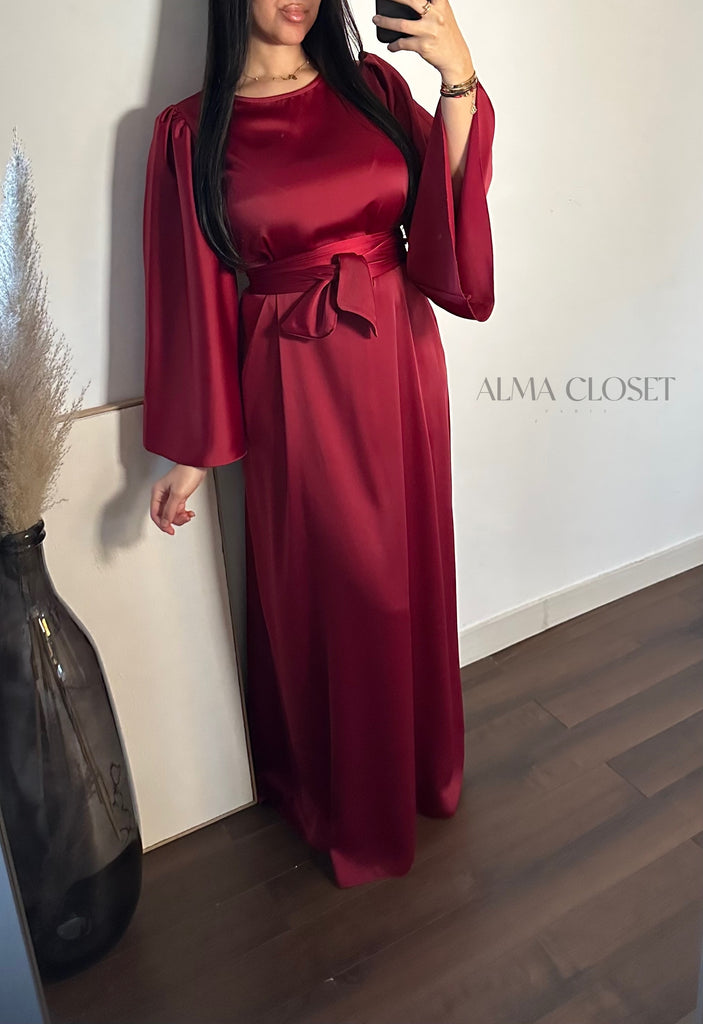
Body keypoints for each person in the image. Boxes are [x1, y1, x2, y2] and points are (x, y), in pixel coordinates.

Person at [141, 0, 495, 888]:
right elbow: (192, 288)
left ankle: (421, 769)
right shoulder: (191, 130)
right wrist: (195, 447)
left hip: (400, 351)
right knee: (342, 589)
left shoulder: (371, 86)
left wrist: (457, 79)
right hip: (295, 378)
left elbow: (446, 206)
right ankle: (351, 805)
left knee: (409, 568)